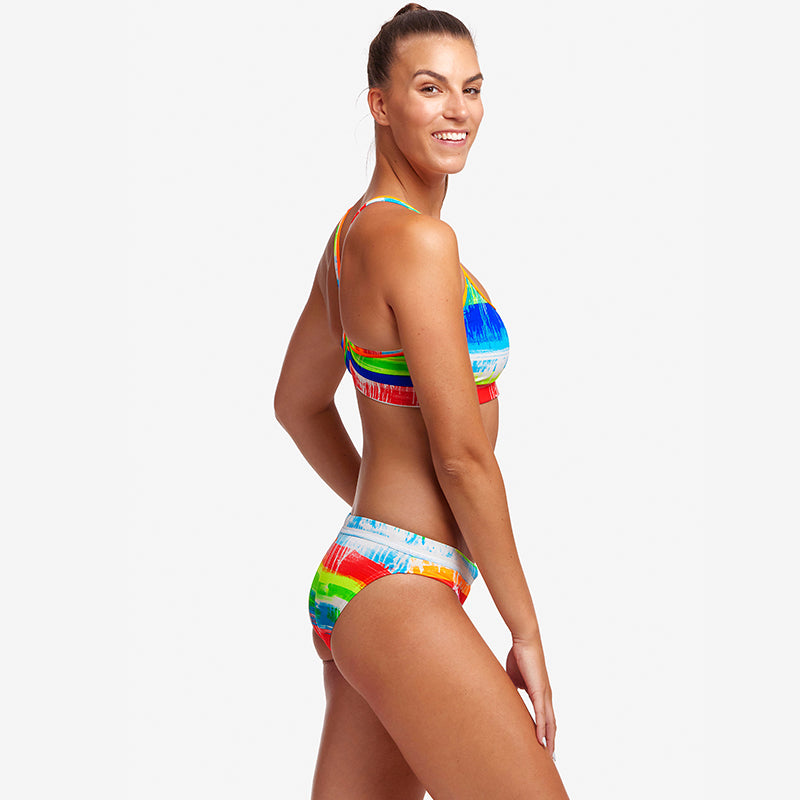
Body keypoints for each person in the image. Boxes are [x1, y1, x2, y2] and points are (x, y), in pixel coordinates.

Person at [275, 5, 570, 798]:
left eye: (471, 89)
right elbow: (462, 456)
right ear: (379, 102)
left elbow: (297, 403)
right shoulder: (418, 242)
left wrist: (381, 515)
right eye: (430, 88)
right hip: (400, 590)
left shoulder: (352, 239)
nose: (458, 110)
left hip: (373, 576)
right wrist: (526, 629)